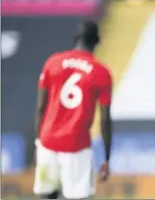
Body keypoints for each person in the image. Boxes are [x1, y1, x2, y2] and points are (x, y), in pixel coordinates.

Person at [33, 20, 112, 199]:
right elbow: (105, 119)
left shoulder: (52, 62)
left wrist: (39, 144)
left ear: (76, 38)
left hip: (48, 142)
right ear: (97, 42)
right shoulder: (101, 72)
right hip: (76, 145)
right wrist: (106, 158)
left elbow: (40, 108)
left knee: (47, 195)